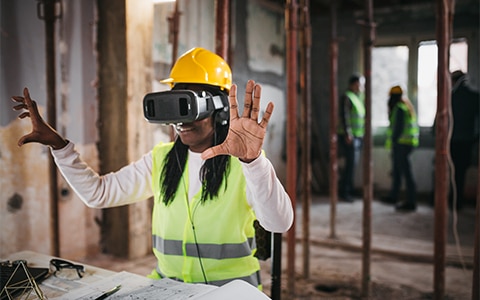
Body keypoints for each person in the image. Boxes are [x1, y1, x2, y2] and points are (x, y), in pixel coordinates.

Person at [11, 47, 294, 288]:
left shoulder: (245, 164)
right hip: (168, 286)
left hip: (230, 292)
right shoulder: (161, 159)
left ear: (218, 108)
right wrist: (59, 146)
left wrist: (253, 162)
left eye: (188, 105)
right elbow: (97, 193)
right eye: (173, 104)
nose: (180, 120)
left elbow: (279, 223)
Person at [384, 85, 419, 211]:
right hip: (406, 144)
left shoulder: (399, 108)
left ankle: (411, 202)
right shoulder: (405, 107)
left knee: (406, 173)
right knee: (398, 172)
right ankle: (394, 196)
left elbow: (397, 129)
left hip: (401, 145)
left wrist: (393, 143)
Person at [449, 70, 479, 209]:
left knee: (454, 172)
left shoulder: (451, 97)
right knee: (460, 172)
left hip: (453, 141)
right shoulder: (474, 97)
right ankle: (457, 201)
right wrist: (475, 138)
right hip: (467, 141)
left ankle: (453, 201)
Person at [337, 74, 365, 202]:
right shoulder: (347, 97)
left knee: (352, 165)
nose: (361, 87)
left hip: (357, 136)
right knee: (350, 165)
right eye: (359, 84)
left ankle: (349, 190)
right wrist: (348, 133)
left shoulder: (357, 98)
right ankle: (344, 191)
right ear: (353, 84)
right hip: (349, 136)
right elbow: (345, 116)